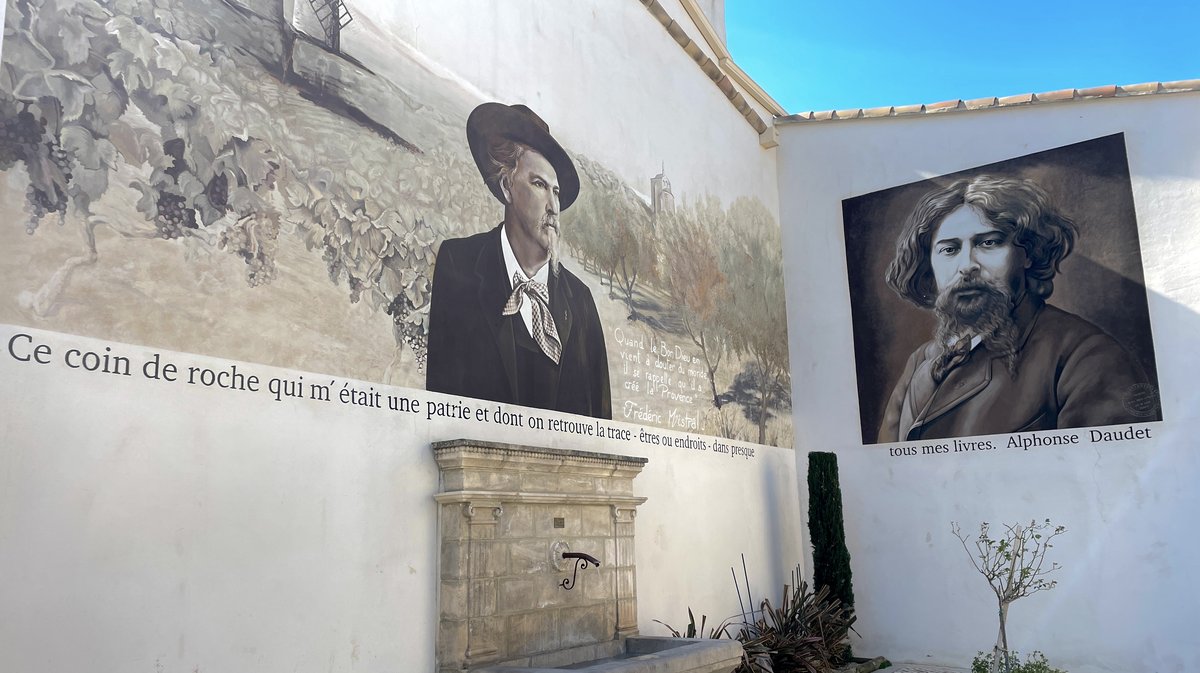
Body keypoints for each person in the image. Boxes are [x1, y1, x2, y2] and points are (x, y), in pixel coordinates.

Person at [878, 175, 1157, 442]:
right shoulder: (921, 361)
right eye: (949, 249)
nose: (966, 266)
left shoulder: (1087, 358)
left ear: (1028, 253)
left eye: (988, 243)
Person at [426, 102, 611, 419]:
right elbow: (442, 402)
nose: (553, 206)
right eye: (539, 185)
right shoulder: (459, 263)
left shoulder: (580, 301)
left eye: (557, 191)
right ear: (507, 186)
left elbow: (601, 423)